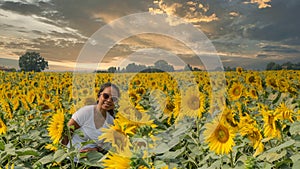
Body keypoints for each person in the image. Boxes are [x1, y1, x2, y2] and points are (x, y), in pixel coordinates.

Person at [62, 82, 120, 154]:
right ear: (99, 96)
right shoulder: (85, 112)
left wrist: (96, 149)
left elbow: (105, 144)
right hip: (72, 159)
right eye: (106, 96)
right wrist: (64, 155)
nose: (109, 100)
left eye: (113, 99)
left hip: (93, 161)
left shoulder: (111, 122)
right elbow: (67, 132)